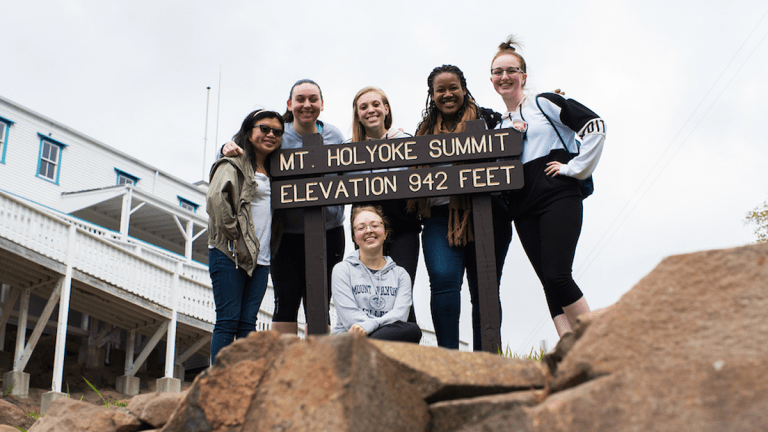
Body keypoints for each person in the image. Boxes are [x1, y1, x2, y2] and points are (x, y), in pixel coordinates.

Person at [490, 37, 606, 336]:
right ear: (491, 79)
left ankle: (598, 342)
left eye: (511, 70)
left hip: (558, 197)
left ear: (523, 76)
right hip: (522, 208)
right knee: (547, 281)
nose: (504, 76)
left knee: (558, 275)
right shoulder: (499, 127)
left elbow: (594, 126)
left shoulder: (544, 102)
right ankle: (568, 348)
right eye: (498, 71)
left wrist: (575, 168)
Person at [222, 79, 345, 335]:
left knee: (320, 303)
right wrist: (225, 148)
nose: (307, 105)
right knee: (285, 302)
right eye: (300, 99)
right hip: (285, 235)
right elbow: (241, 153)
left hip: (329, 231)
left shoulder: (335, 136)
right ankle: (286, 371)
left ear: (322, 104)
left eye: (313, 99)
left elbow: (348, 176)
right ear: (289, 104)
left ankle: (317, 371)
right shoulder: (277, 134)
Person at [409, 65, 513, 350]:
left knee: (486, 289)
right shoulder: (422, 134)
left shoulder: (491, 121)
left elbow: (521, 126)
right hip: (439, 217)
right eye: (439, 90)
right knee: (443, 281)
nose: (447, 94)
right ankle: (448, 359)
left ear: (464, 89)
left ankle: (487, 359)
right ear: (432, 96)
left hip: (489, 214)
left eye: (453, 87)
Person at [206, 109, 284, 363]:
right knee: (228, 321)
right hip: (230, 252)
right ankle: (216, 387)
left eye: (277, 131)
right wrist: (235, 238)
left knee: (247, 324)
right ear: (249, 132)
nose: (271, 134)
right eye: (264, 128)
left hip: (261, 258)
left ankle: (241, 384)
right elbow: (217, 201)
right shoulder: (233, 161)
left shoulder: (276, 168)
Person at [348, 87, 421, 286]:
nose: (370, 110)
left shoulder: (406, 141)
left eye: (376, 104)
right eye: (364, 107)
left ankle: (406, 321)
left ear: (386, 109)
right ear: (357, 114)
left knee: (401, 290)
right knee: (372, 292)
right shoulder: (346, 150)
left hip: (403, 228)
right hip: (366, 230)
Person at [331, 205, 422, 342]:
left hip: (379, 342)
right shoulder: (342, 270)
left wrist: (368, 327)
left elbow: (400, 317)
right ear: (355, 237)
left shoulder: (401, 275)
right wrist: (378, 329)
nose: (368, 231)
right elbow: (350, 319)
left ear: (385, 233)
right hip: (350, 341)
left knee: (412, 330)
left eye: (374, 225)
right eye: (361, 228)